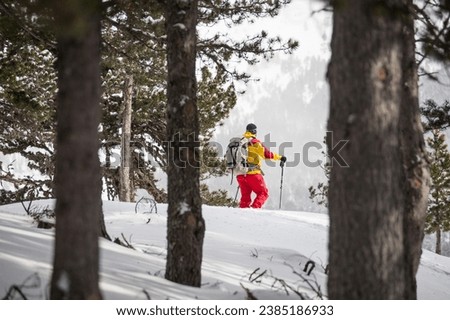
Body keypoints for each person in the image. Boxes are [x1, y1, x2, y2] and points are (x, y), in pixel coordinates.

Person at [236, 123, 286, 208]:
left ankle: (243, 214)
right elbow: (266, 155)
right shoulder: (255, 143)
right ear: (254, 131)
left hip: (240, 174)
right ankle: (254, 210)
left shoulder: (239, 142)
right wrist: (280, 157)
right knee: (263, 193)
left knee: (245, 198)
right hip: (253, 174)